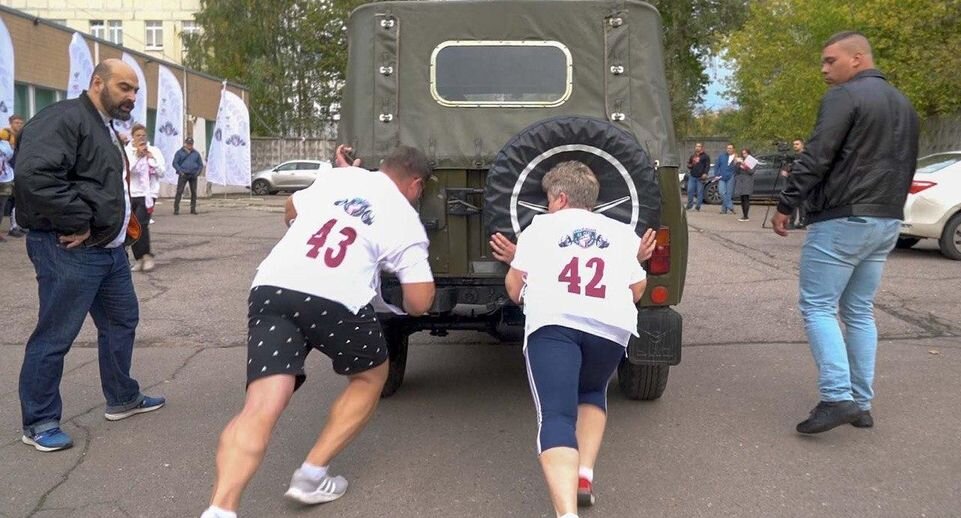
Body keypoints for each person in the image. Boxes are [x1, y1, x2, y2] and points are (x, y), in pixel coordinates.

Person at [201, 144, 436, 518]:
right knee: (371, 377)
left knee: (261, 405)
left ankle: (220, 509)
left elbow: (290, 208)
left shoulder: (341, 177)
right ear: (416, 184)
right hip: (336, 298)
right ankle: (311, 475)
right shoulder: (406, 219)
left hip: (273, 286)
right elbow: (420, 302)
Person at [14, 59, 166, 452]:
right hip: (68, 248)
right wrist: (79, 220)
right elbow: (35, 176)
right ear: (97, 83)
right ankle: (39, 421)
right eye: (123, 88)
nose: (131, 97)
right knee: (55, 335)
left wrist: (120, 227)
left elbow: (101, 183)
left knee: (121, 322)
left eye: (135, 90)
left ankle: (122, 398)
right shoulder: (63, 119)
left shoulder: (104, 126)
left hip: (108, 251)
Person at [771, 31, 920, 434]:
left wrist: (786, 204)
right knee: (858, 310)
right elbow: (907, 162)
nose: (823, 69)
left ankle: (837, 397)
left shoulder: (844, 97)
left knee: (818, 307)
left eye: (830, 60)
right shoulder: (903, 104)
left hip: (843, 217)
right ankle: (861, 403)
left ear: (857, 58)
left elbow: (817, 156)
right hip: (886, 219)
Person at [489, 161, 655, 518]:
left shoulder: (539, 227)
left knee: (557, 416)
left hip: (555, 325)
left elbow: (515, 288)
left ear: (561, 198)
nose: (548, 207)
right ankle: (584, 476)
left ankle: (567, 515)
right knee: (592, 392)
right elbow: (637, 290)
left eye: (549, 200)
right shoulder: (622, 232)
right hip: (610, 329)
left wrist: (523, 272)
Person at [125, 123, 165, 272]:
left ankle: (147, 256)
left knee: (141, 224)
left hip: (148, 194)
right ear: (133, 137)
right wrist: (137, 156)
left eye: (143, 135)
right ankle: (139, 258)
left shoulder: (154, 150)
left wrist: (151, 159)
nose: (141, 138)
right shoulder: (128, 152)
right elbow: (127, 170)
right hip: (132, 193)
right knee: (132, 227)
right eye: (138, 135)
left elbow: (162, 172)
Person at [2, 114, 26, 238]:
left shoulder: (22, 136)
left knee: (17, 200)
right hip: (6, 173)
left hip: (18, 171)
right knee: (5, 201)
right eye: (16, 122)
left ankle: (14, 226)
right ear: (11, 123)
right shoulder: (5, 135)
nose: (19, 125)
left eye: (21, 123)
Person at [779, 139, 807, 229]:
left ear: (802, 145)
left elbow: (801, 169)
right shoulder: (794, 156)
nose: (795, 146)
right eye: (794, 144)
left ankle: (801, 222)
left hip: (801, 181)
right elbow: (791, 167)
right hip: (793, 181)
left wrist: (789, 173)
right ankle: (793, 222)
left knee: (801, 203)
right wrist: (786, 169)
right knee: (794, 202)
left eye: (797, 144)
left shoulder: (804, 156)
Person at [173, 137, 204, 215]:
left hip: (193, 175)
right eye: (188, 144)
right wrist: (180, 172)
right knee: (179, 191)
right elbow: (175, 163)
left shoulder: (196, 153)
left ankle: (193, 209)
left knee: (194, 192)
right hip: (183, 174)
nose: (190, 145)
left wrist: (197, 173)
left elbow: (200, 165)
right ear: (185, 144)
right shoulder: (179, 152)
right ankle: (176, 209)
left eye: (191, 144)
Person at [684, 142, 710, 211]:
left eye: (699, 146)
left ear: (702, 148)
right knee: (690, 191)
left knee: (699, 192)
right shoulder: (693, 156)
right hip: (692, 176)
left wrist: (705, 173)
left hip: (700, 177)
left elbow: (707, 166)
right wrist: (689, 165)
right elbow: (689, 164)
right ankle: (689, 205)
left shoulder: (705, 156)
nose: (697, 147)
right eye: (696, 146)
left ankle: (697, 207)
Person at [733, 148, 756, 221]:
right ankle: (744, 215)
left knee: (746, 197)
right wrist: (736, 163)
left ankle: (746, 216)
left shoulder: (752, 161)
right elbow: (736, 171)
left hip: (747, 180)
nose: (744, 155)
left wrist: (744, 164)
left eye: (745, 153)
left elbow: (751, 172)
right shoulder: (741, 160)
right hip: (740, 180)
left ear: (748, 154)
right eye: (743, 153)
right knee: (742, 198)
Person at [715, 143, 738, 214]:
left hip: (731, 177)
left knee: (728, 194)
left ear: (733, 149)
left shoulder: (736, 157)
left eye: (730, 148)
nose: (728, 149)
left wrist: (736, 162)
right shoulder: (721, 156)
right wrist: (717, 174)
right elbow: (717, 166)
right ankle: (730, 206)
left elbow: (738, 169)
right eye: (728, 148)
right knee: (721, 192)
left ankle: (723, 210)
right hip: (722, 177)